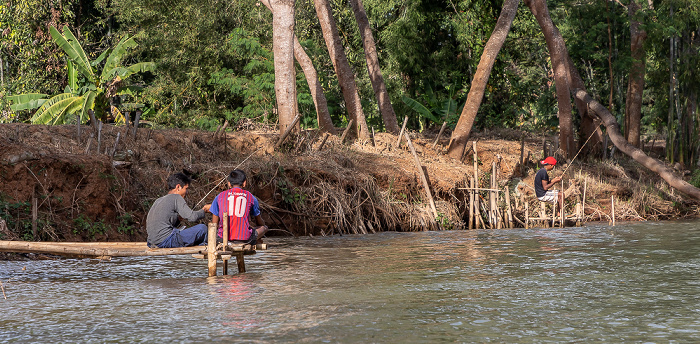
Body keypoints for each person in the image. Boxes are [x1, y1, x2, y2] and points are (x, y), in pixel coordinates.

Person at [146, 172, 211, 248]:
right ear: (178, 187)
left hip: (151, 243)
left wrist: (178, 219)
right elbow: (193, 217)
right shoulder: (176, 197)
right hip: (166, 241)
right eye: (186, 188)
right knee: (202, 228)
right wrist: (204, 210)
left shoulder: (158, 200)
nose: (186, 192)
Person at [210, 169, 268, 245]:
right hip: (245, 239)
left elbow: (214, 223)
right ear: (244, 183)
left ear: (229, 184)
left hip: (222, 239)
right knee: (264, 228)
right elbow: (259, 222)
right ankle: (255, 241)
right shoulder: (251, 197)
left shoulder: (219, 196)